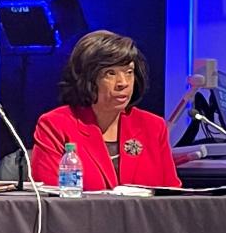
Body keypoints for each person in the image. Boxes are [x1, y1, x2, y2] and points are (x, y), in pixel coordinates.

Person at [32, 29, 180, 191]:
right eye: (110, 73)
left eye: (129, 72)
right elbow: (50, 199)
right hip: (82, 216)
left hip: (145, 217)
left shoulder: (153, 126)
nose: (123, 82)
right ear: (87, 78)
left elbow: (171, 198)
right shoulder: (56, 125)